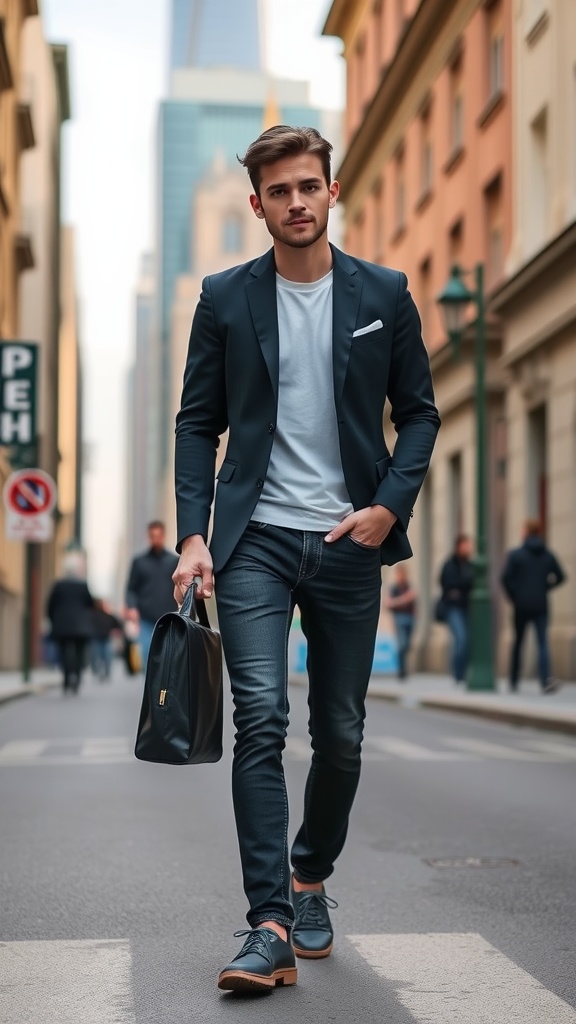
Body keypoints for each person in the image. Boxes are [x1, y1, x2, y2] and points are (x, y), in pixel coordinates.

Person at [172, 125, 440, 993]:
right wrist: (193, 534)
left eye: (308, 187)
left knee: (344, 734)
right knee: (261, 719)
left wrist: (386, 507)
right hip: (253, 541)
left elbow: (421, 414)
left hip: (346, 541)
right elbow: (196, 424)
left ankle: (311, 876)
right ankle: (270, 925)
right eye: (278, 191)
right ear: (257, 204)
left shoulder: (385, 293)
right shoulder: (224, 298)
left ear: (331, 193)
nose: (296, 202)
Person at [501, 519, 566, 693]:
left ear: (526, 532)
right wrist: (545, 587)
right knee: (542, 642)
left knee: (518, 643)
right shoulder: (547, 554)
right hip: (540, 604)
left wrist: (514, 595)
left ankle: (514, 680)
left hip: (521, 605)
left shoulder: (516, 554)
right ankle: (545, 680)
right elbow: (561, 576)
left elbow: (505, 578)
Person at [125, 521, 179, 669]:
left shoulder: (174, 561)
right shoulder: (139, 562)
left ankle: (163, 691)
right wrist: (132, 608)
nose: (156, 539)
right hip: (146, 619)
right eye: (152, 536)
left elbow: (181, 588)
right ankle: (150, 691)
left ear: (163, 536)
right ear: (148, 537)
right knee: (147, 657)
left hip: (169, 619)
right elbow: (130, 589)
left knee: (167, 658)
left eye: (158, 535)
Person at [46, 553, 95, 694]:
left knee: (62, 652)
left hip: (62, 625)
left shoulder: (59, 585)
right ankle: (77, 678)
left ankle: (67, 678)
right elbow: (90, 604)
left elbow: (50, 605)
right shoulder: (82, 585)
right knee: (79, 653)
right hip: (80, 625)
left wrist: (52, 619)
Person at [439, 535, 474, 683]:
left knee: (465, 640)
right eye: (466, 545)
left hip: (467, 607)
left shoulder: (470, 565)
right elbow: (446, 583)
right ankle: (458, 673)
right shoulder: (450, 564)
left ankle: (462, 672)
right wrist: (461, 585)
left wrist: (460, 587)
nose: (468, 548)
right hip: (453, 608)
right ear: (458, 546)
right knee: (461, 638)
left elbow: (471, 583)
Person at [386, 564, 417, 679]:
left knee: (407, 645)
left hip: (410, 618)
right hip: (399, 617)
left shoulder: (409, 586)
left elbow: (414, 599)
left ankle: (404, 668)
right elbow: (389, 603)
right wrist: (404, 599)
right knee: (402, 644)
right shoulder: (394, 588)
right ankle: (401, 670)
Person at [90, 599, 122, 681]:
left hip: (106, 638)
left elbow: (118, 625)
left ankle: (106, 673)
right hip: (96, 638)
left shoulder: (108, 615)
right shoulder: (93, 615)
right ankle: (99, 673)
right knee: (97, 657)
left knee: (106, 656)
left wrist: (115, 631)